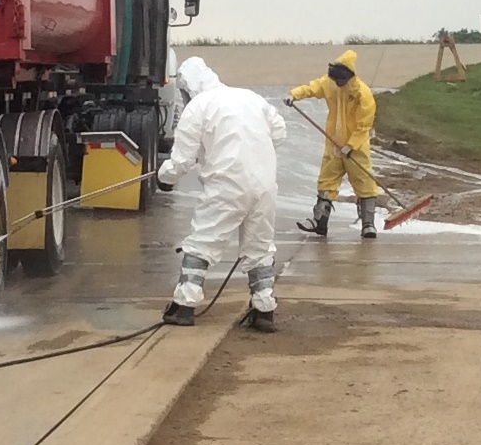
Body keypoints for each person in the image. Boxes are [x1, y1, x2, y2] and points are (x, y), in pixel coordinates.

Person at [158, 57, 287, 333]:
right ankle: (264, 310)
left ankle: (184, 306)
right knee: (260, 247)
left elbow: (181, 160)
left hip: (226, 185)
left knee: (203, 242)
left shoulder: (198, 107)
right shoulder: (250, 98)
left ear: (188, 88)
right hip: (264, 185)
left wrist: (164, 177)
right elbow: (279, 132)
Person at [285, 49, 378, 240]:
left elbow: (364, 125)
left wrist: (351, 145)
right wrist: (294, 95)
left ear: (348, 77)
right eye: (336, 80)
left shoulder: (362, 94)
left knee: (364, 182)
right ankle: (320, 222)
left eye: (341, 81)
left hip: (356, 149)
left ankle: (368, 224)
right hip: (333, 146)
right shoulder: (329, 84)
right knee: (326, 182)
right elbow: (312, 88)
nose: (338, 84)